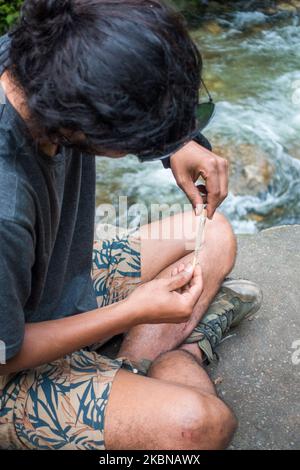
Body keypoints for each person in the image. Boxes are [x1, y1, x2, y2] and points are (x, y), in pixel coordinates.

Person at [0, 0, 262, 450]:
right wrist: (133, 311)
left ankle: (128, 372)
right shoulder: (6, 204)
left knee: (212, 231)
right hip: (8, 362)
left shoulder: (41, 51)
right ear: (87, 126)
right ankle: (180, 354)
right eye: (137, 145)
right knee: (198, 428)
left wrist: (179, 142)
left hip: (47, 289)